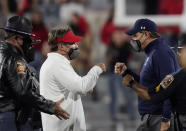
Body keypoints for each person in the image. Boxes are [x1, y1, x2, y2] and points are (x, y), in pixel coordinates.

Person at [0, 15, 70, 131]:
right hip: (8, 116)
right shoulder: (15, 58)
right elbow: (23, 91)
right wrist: (51, 106)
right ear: (17, 39)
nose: (30, 44)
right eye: (27, 39)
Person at [114, 18, 179, 131]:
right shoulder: (153, 52)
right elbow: (150, 84)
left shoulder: (160, 53)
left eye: (135, 35)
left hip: (158, 118)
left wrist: (166, 119)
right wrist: (126, 72)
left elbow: (169, 87)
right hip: (153, 118)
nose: (132, 39)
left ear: (146, 34)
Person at [40, 25, 106, 131]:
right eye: (72, 43)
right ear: (61, 46)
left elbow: (73, 87)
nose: (76, 46)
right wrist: (97, 69)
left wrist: (86, 86)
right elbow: (81, 87)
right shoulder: (57, 64)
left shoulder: (58, 62)